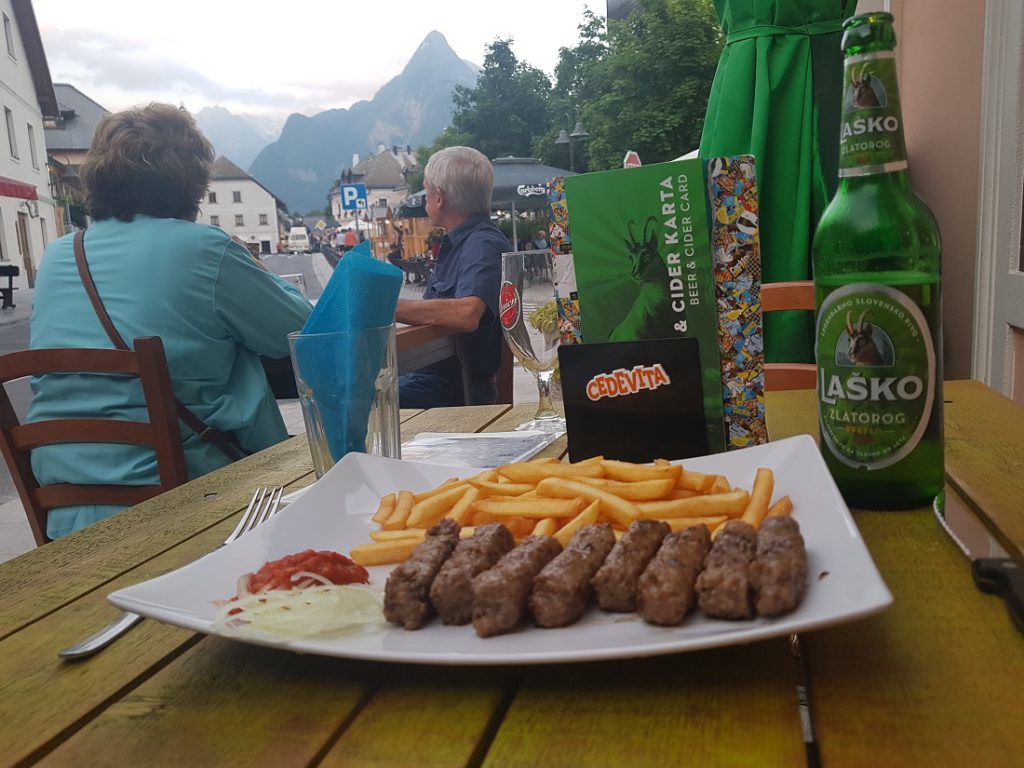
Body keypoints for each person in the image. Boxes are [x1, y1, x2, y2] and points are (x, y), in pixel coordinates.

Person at [28, 103, 312, 540]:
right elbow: (300, 332)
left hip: (67, 513)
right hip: (198, 505)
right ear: (191, 182)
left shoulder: (59, 254)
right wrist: (253, 268)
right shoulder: (203, 249)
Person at [395, 146, 509, 408]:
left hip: (457, 390)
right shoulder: (468, 242)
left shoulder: (482, 244)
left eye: (426, 192)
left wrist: (386, 307)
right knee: (362, 391)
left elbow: (466, 314)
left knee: (355, 401)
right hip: (437, 380)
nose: (425, 201)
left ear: (439, 198)